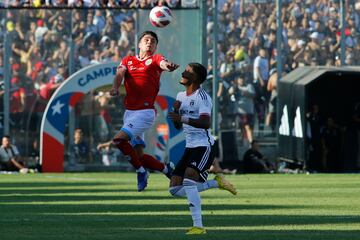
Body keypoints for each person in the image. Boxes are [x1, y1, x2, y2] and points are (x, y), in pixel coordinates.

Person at [168, 63, 237, 235]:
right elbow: (177, 125)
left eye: (188, 71)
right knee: (174, 189)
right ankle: (216, 183)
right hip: (190, 147)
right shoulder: (180, 95)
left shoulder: (203, 97)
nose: (183, 72)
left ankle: (198, 226)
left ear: (196, 78)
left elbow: (205, 123)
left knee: (189, 180)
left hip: (204, 146)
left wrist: (181, 117)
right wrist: (175, 112)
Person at [110, 31, 179, 191]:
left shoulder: (155, 59)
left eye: (153, 41)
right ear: (139, 44)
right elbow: (120, 72)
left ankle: (141, 171)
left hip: (145, 112)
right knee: (139, 155)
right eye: (146, 40)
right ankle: (166, 169)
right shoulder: (128, 60)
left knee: (119, 140)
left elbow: (163, 64)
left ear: (155, 47)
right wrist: (115, 87)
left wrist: (168, 67)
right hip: (129, 113)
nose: (150, 43)